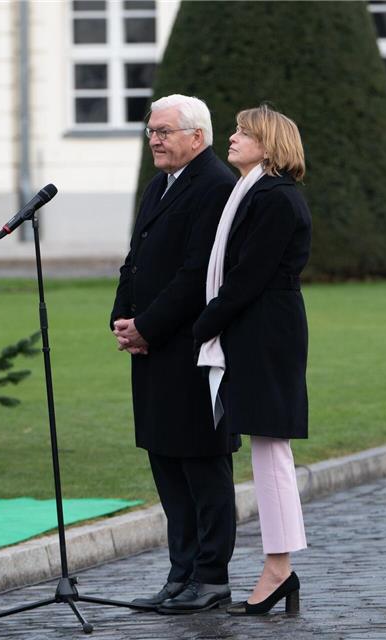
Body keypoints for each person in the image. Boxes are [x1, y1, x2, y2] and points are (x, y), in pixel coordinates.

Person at [111, 94, 239, 614]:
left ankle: (211, 577)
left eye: (164, 132)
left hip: (193, 348)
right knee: (166, 462)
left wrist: (147, 326)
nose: (155, 140)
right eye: (151, 132)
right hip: (152, 351)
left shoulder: (215, 187)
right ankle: (180, 573)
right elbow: (136, 259)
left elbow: (197, 276)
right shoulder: (159, 185)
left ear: (197, 137)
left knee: (202, 467)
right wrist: (122, 319)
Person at [192, 104, 311, 616]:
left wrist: (201, 326)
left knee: (271, 452)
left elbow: (247, 276)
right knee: (267, 451)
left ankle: (279, 568)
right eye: (237, 131)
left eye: (245, 133)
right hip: (255, 331)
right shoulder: (253, 193)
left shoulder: (276, 199)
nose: (234, 138)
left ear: (270, 145)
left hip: (266, 335)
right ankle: (278, 567)